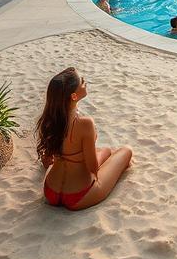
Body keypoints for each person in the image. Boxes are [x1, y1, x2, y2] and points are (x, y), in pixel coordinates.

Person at [37, 67, 132, 210]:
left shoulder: (50, 119)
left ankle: (104, 154)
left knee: (105, 150)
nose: (84, 82)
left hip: (51, 192)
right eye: (81, 82)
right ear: (74, 96)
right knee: (126, 151)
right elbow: (92, 168)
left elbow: (47, 161)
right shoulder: (85, 123)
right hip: (79, 195)